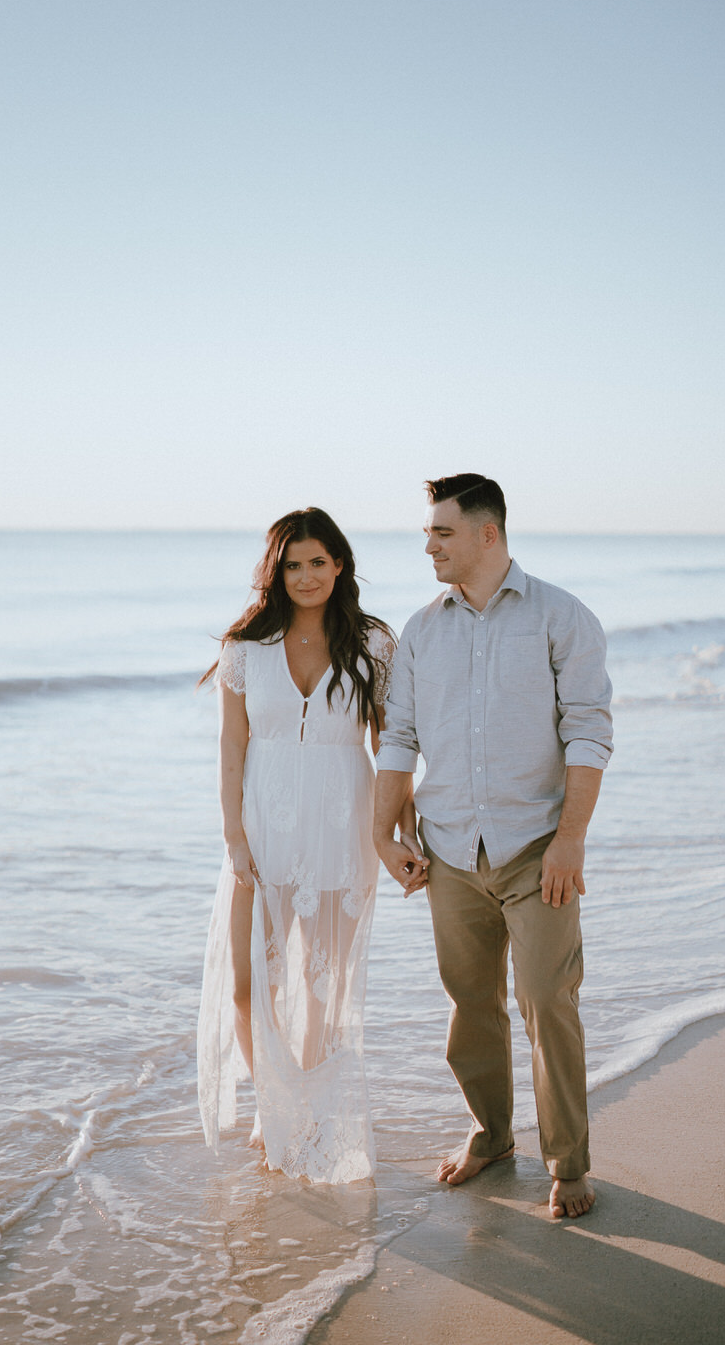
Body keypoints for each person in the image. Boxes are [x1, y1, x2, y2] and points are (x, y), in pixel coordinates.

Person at [373, 474, 613, 1219]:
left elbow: (588, 730)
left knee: (546, 999)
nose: (428, 545)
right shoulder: (422, 629)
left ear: (487, 533)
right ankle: (490, 1134)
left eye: (441, 532)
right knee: (470, 1002)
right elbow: (400, 738)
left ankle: (567, 1162)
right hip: (447, 850)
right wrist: (380, 833)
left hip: (536, 847)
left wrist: (569, 840)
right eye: (426, 533)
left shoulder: (560, 617)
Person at [196, 507, 415, 1183]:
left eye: (318, 562)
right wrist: (233, 833)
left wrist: (398, 829)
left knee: (323, 985)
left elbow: (390, 742)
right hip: (261, 826)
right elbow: (232, 744)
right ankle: (274, 1103)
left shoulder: (373, 643)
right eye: (292, 564)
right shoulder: (244, 648)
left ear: (340, 565)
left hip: (342, 822)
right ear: (275, 572)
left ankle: (306, 1113)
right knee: (246, 984)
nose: (306, 575)